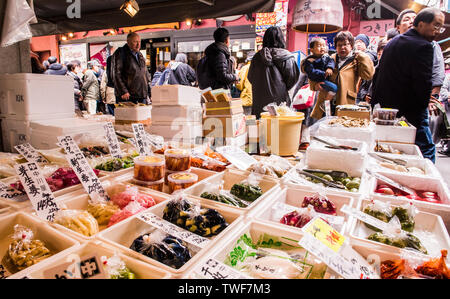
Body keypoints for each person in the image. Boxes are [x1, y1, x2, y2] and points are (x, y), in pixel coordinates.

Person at [372, 8, 445, 163]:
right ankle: (427, 182)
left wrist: (376, 104)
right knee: (425, 148)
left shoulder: (393, 43)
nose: (438, 31)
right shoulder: (424, 46)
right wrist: (422, 109)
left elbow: (378, 74)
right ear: (421, 24)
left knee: (395, 148)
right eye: (436, 26)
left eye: (440, 27)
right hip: (412, 111)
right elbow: (422, 82)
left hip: (390, 110)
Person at [310, 31, 375, 119]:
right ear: (336, 47)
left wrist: (362, 56)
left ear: (352, 46)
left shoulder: (356, 61)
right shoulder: (329, 59)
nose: (342, 48)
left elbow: (368, 75)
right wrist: (315, 85)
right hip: (326, 102)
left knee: (341, 127)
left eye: (346, 44)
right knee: (324, 128)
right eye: (339, 45)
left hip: (346, 102)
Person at [248, 26, 300, 117]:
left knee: (261, 125)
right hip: (280, 100)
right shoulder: (286, 56)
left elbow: (250, 77)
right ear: (281, 39)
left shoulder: (257, 57)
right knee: (278, 126)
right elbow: (292, 78)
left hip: (259, 99)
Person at [112, 32, 151, 104]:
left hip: (141, 95)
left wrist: (150, 92)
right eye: (135, 42)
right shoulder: (121, 53)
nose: (138, 44)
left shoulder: (140, 55)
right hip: (128, 95)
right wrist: (123, 91)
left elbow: (145, 75)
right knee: (128, 115)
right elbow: (116, 74)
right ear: (128, 42)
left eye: (139, 42)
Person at [301, 37, 337, 104]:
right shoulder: (309, 60)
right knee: (334, 88)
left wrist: (329, 68)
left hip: (325, 80)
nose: (322, 47)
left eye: (324, 45)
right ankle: (326, 103)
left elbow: (331, 61)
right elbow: (311, 72)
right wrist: (323, 73)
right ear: (311, 49)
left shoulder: (326, 57)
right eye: (319, 46)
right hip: (320, 81)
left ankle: (327, 102)